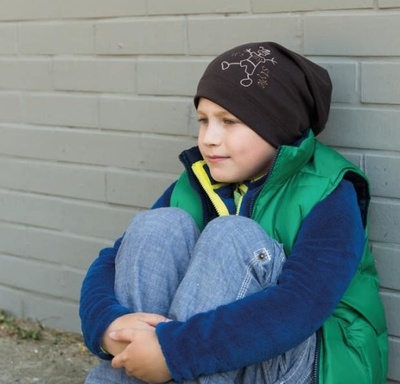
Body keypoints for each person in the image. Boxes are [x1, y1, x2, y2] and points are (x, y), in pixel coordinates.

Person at [79, 41, 388, 383]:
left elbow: (299, 305)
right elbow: (113, 260)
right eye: (203, 120)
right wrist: (108, 326)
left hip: (314, 361)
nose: (209, 138)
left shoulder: (329, 192)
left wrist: (175, 352)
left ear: (279, 126)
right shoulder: (197, 181)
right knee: (158, 226)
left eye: (229, 121)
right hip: (212, 354)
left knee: (231, 234)